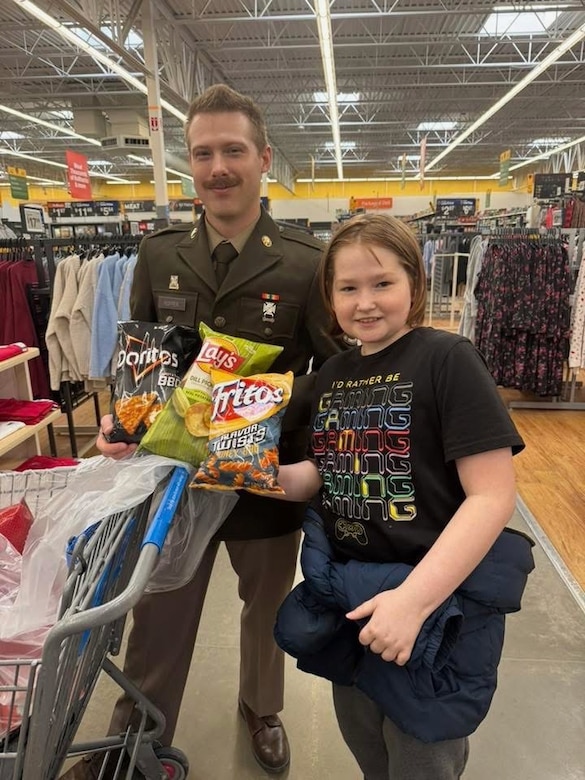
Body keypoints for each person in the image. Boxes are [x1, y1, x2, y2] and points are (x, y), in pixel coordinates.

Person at [61, 84, 341, 778]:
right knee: (158, 611)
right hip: (175, 481)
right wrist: (122, 427)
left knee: (265, 610)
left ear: (262, 158)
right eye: (203, 152)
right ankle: (137, 736)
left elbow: (335, 371)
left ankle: (261, 708)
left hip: (264, 478)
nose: (218, 167)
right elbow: (143, 358)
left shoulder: (308, 262)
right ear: (190, 163)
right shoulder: (159, 255)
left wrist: (261, 401)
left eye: (233, 151)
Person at [274, 213, 534, 780]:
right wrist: (254, 473)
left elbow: (492, 497)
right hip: (352, 596)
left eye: (382, 283)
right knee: (366, 738)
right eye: (348, 288)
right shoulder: (333, 374)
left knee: (423, 753)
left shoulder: (448, 359)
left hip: (437, 602)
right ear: (330, 297)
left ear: (413, 284)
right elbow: (326, 472)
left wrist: (413, 602)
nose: (365, 302)